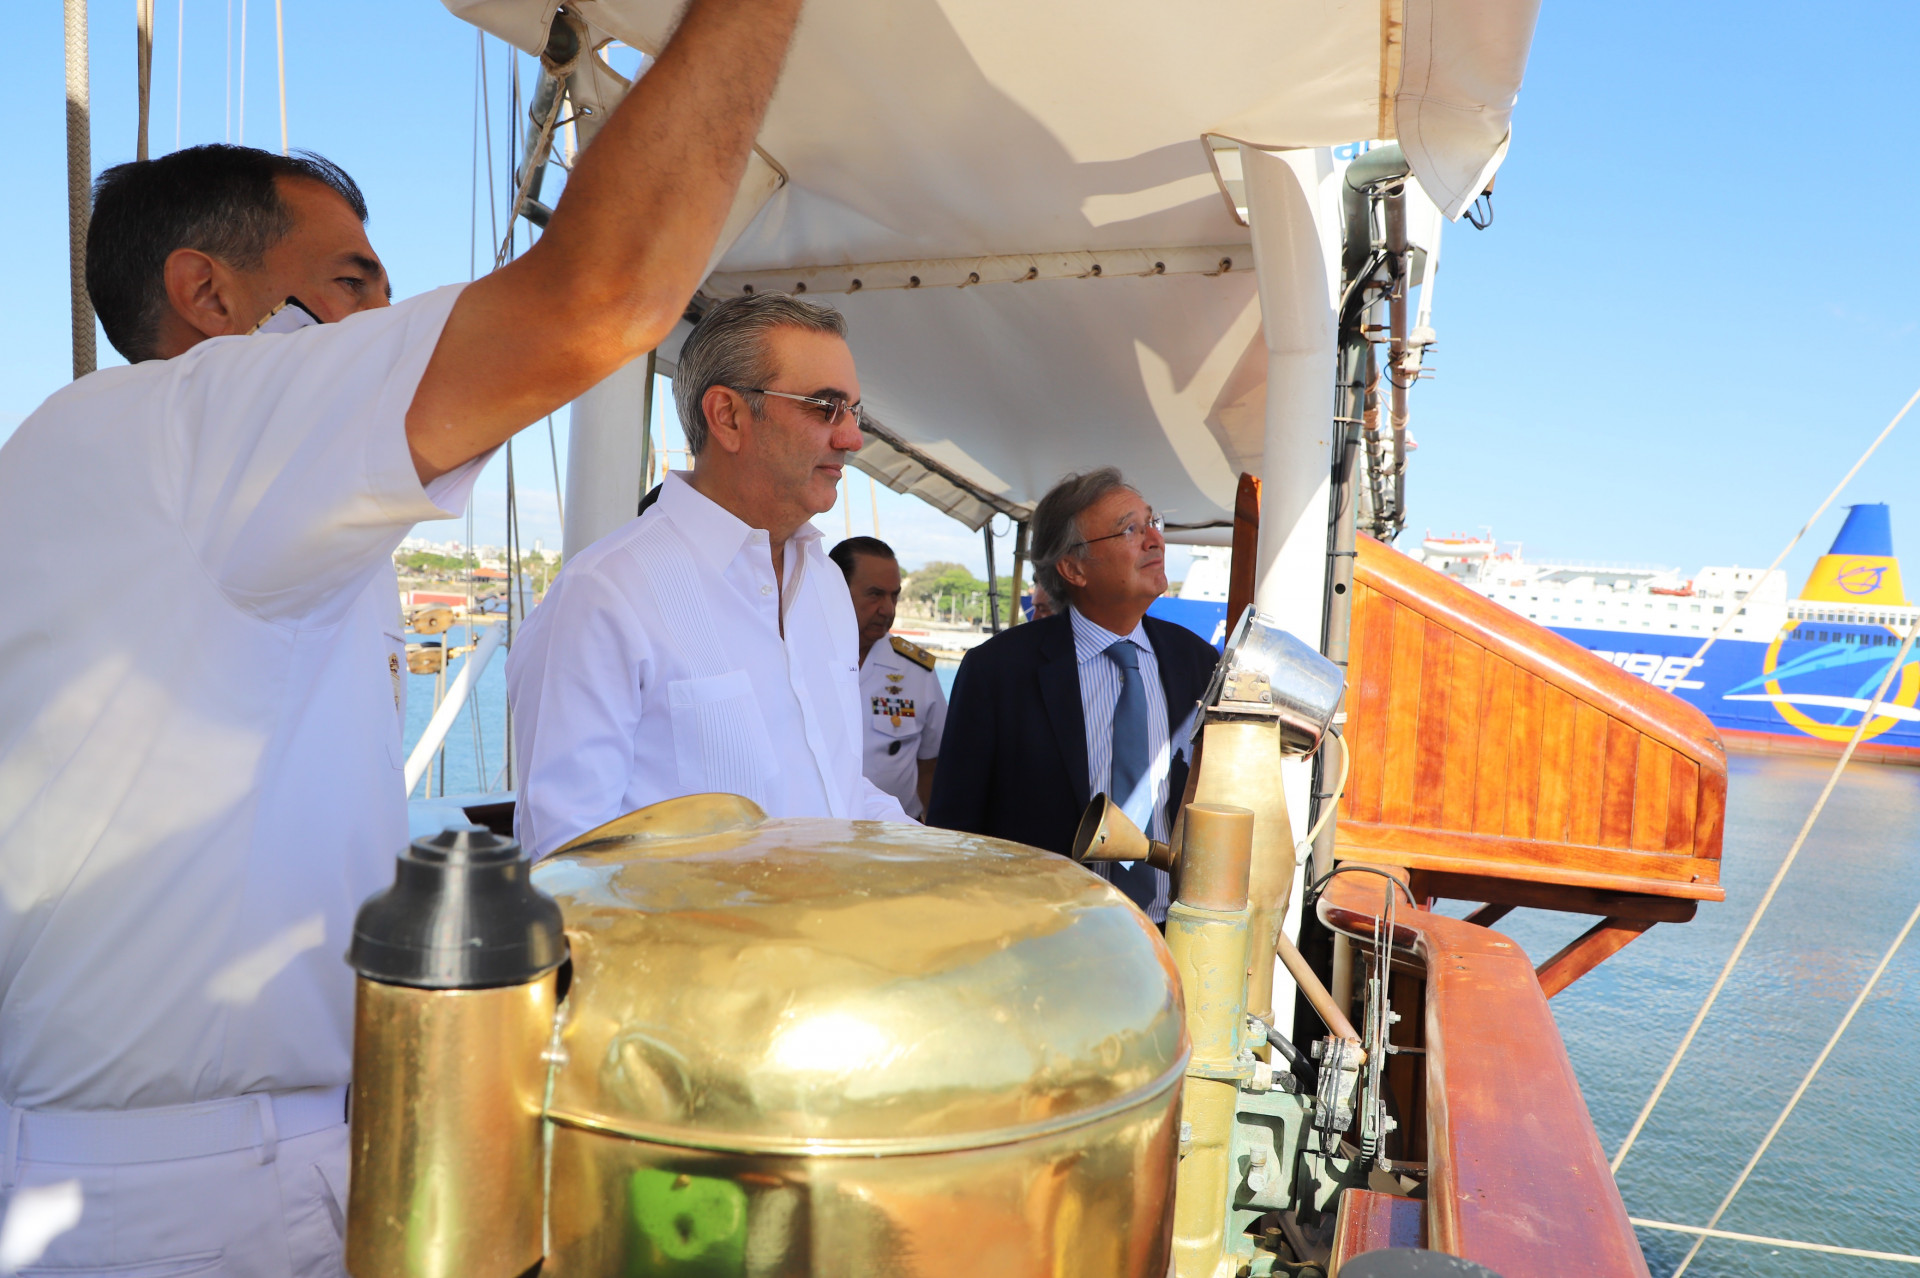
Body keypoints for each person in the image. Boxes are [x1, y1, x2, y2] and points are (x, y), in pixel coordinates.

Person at [0, 1, 802, 1270]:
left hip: (209, 1157)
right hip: (196, 1198)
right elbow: (606, 292)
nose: (384, 317)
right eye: (351, 283)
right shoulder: (193, 429)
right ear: (207, 295)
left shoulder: (111, 463)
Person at [508, 294, 910, 858]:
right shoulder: (604, 594)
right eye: (825, 407)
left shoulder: (823, 583)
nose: (852, 438)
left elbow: (835, 790)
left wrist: (969, 867)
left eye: (854, 412)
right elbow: (566, 856)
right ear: (727, 416)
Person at [927, 468, 1218, 922]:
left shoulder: (1197, 661)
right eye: (1129, 529)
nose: (1155, 541)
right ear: (1073, 568)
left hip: (1172, 931)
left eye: (1152, 523)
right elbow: (955, 829)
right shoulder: (998, 670)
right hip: (1042, 932)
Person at [830, 536, 947, 818]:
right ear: (834, 590)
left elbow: (931, 764)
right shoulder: (798, 657)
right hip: (816, 828)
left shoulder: (916, 670)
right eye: (875, 594)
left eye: (894, 596)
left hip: (895, 833)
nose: (888, 609)